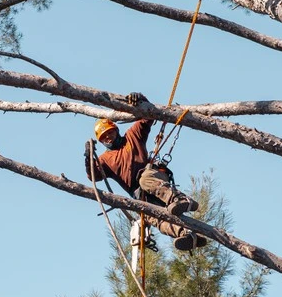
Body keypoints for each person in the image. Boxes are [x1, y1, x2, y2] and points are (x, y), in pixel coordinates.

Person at [83, 92, 207, 251]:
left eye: (110, 133)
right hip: (139, 194)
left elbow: (148, 116)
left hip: (152, 177)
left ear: (116, 130)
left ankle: (181, 200)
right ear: (101, 141)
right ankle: (187, 235)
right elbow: (93, 176)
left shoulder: (132, 136)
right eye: (104, 137)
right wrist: (88, 157)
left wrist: (139, 98)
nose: (109, 138)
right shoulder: (105, 159)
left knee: (144, 179)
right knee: (155, 216)